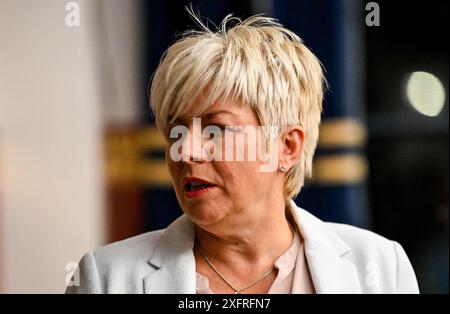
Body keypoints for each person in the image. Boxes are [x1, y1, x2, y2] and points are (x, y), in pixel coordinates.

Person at [66, 12, 419, 294]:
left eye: (216, 129)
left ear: (287, 147)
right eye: (176, 131)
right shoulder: (106, 279)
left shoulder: (380, 268)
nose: (186, 150)